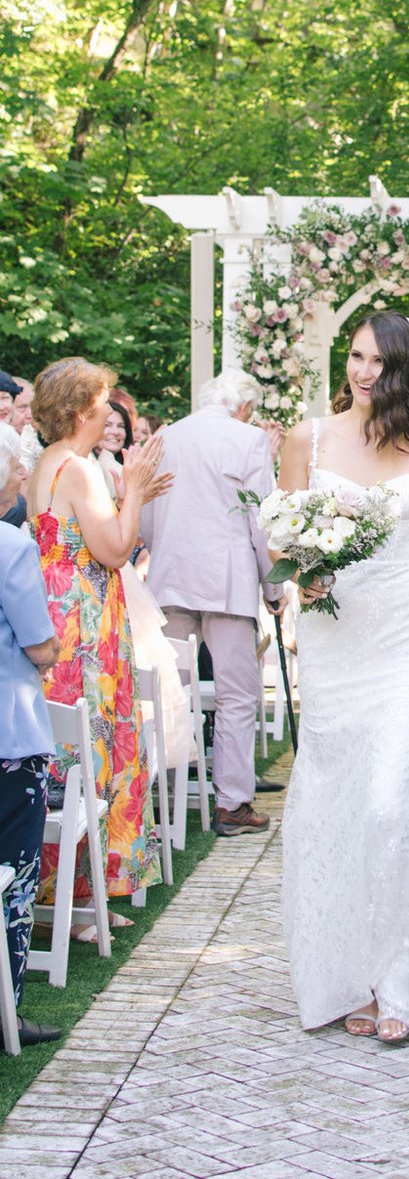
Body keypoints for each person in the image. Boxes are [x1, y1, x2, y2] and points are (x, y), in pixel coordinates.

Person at [277, 311, 409, 1043]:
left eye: (378, 362)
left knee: (392, 800)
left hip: (401, 632)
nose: (363, 372)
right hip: (335, 639)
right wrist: (301, 580)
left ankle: (404, 978)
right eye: (356, 356)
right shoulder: (308, 438)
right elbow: (289, 540)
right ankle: (349, 973)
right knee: (339, 801)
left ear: (406, 371)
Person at [26, 358, 167, 915]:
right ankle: (77, 900)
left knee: (66, 747)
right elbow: (112, 550)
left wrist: (134, 495)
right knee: (91, 747)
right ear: (84, 407)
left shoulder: (48, 462)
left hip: (59, 609)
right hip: (83, 623)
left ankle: (58, 893)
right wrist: (133, 489)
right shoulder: (80, 469)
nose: (111, 408)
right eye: (105, 398)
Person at [140, 370, 284, 838]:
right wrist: (274, 586)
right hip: (227, 582)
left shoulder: (165, 436)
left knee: (167, 692)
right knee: (237, 695)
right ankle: (232, 804)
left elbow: (143, 517)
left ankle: (151, 800)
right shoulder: (249, 440)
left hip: (171, 577)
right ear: (243, 407)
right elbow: (263, 519)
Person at [0, 423, 62, 1048]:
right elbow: (41, 645)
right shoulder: (10, 548)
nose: (25, 475)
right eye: (16, 468)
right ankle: (4, 1013)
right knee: (13, 880)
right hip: (9, 742)